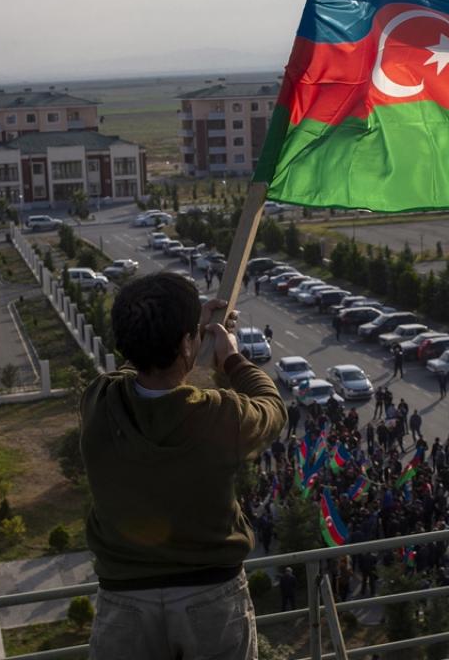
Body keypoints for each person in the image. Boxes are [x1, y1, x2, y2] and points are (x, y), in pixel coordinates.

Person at [79, 273, 287, 660]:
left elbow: (135, 370)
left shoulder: (98, 402)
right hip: (211, 596)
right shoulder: (218, 415)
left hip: (124, 597)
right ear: (186, 343)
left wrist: (182, 337)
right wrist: (231, 358)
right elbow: (272, 409)